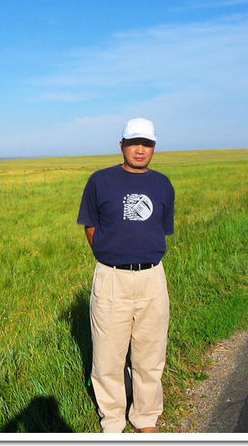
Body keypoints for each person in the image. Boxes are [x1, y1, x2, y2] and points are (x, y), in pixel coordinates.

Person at [77, 117, 175, 433]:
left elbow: (161, 228)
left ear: (154, 147)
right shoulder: (100, 181)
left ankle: (146, 418)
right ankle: (113, 420)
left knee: (150, 353)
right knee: (107, 358)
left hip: (152, 278)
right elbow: (90, 225)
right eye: (134, 143)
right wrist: (109, 256)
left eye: (146, 144)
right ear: (121, 145)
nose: (140, 149)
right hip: (111, 278)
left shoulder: (163, 184)